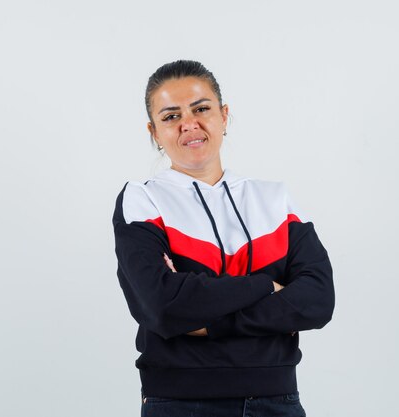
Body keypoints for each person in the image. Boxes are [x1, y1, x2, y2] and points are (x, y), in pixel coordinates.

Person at [112, 59, 335, 417]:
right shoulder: (142, 200)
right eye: (171, 116)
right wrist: (267, 286)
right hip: (181, 404)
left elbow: (318, 301)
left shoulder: (274, 199)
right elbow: (162, 307)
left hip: (277, 401)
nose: (189, 124)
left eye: (201, 108)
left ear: (224, 115)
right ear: (154, 132)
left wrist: (204, 317)